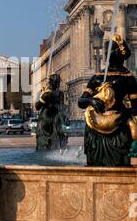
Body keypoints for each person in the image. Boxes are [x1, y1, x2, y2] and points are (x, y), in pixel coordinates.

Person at [78, 34, 137, 166]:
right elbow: (81, 102)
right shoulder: (98, 77)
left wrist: (127, 114)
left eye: (111, 51)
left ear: (120, 53)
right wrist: (91, 101)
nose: (107, 54)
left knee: (119, 163)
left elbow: (135, 106)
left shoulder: (128, 77)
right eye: (107, 52)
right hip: (96, 125)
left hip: (118, 124)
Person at [35, 73, 69, 150]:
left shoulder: (60, 94)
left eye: (59, 82)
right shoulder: (46, 92)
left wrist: (65, 116)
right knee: (45, 142)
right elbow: (37, 107)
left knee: (58, 137)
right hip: (46, 119)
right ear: (52, 82)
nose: (58, 84)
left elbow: (61, 107)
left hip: (54, 118)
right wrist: (43, 99)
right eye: (57, 82)